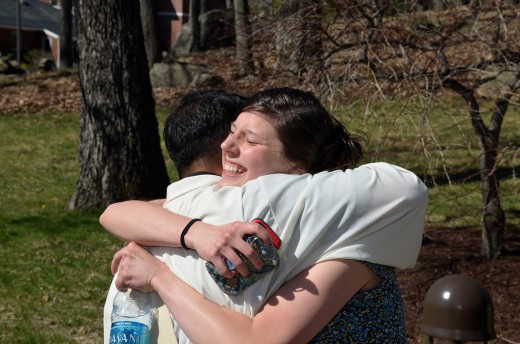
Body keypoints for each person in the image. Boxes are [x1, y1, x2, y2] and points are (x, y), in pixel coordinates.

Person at [103, 87, 428, 343]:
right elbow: (118, 213)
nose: (226, 146)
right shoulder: (225, 204)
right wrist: (200, 234)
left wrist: (160, 277)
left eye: (250, 140)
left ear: (296, 169)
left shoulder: (348, 237)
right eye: (232, 132)